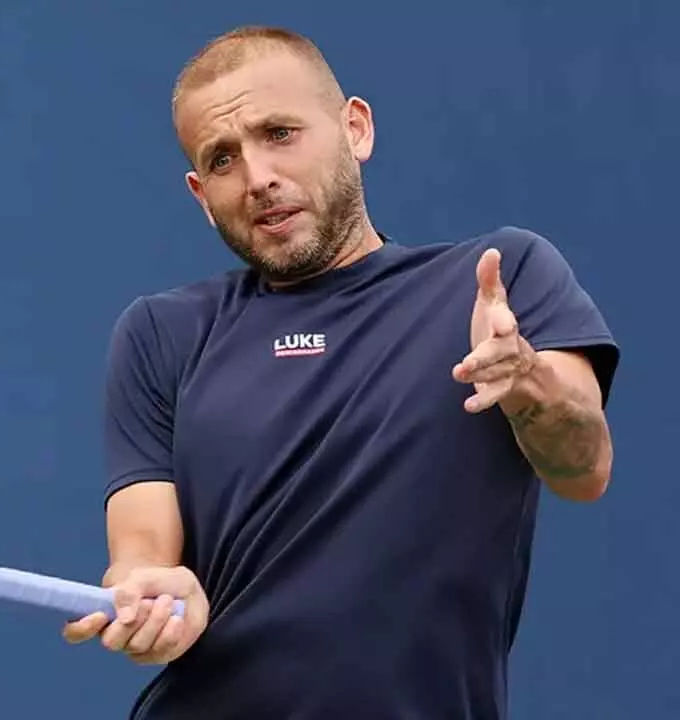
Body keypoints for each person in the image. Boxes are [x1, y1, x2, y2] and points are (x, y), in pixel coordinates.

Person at [61, 25, 620, 720]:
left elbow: (583, 468)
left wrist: (526, 381)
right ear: (202, 195)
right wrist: (151, 598)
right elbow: (142, 552)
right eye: (224, 159)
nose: (259, 176)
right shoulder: (160, 333)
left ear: (355, 128)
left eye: (280, 134)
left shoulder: (500, 279)